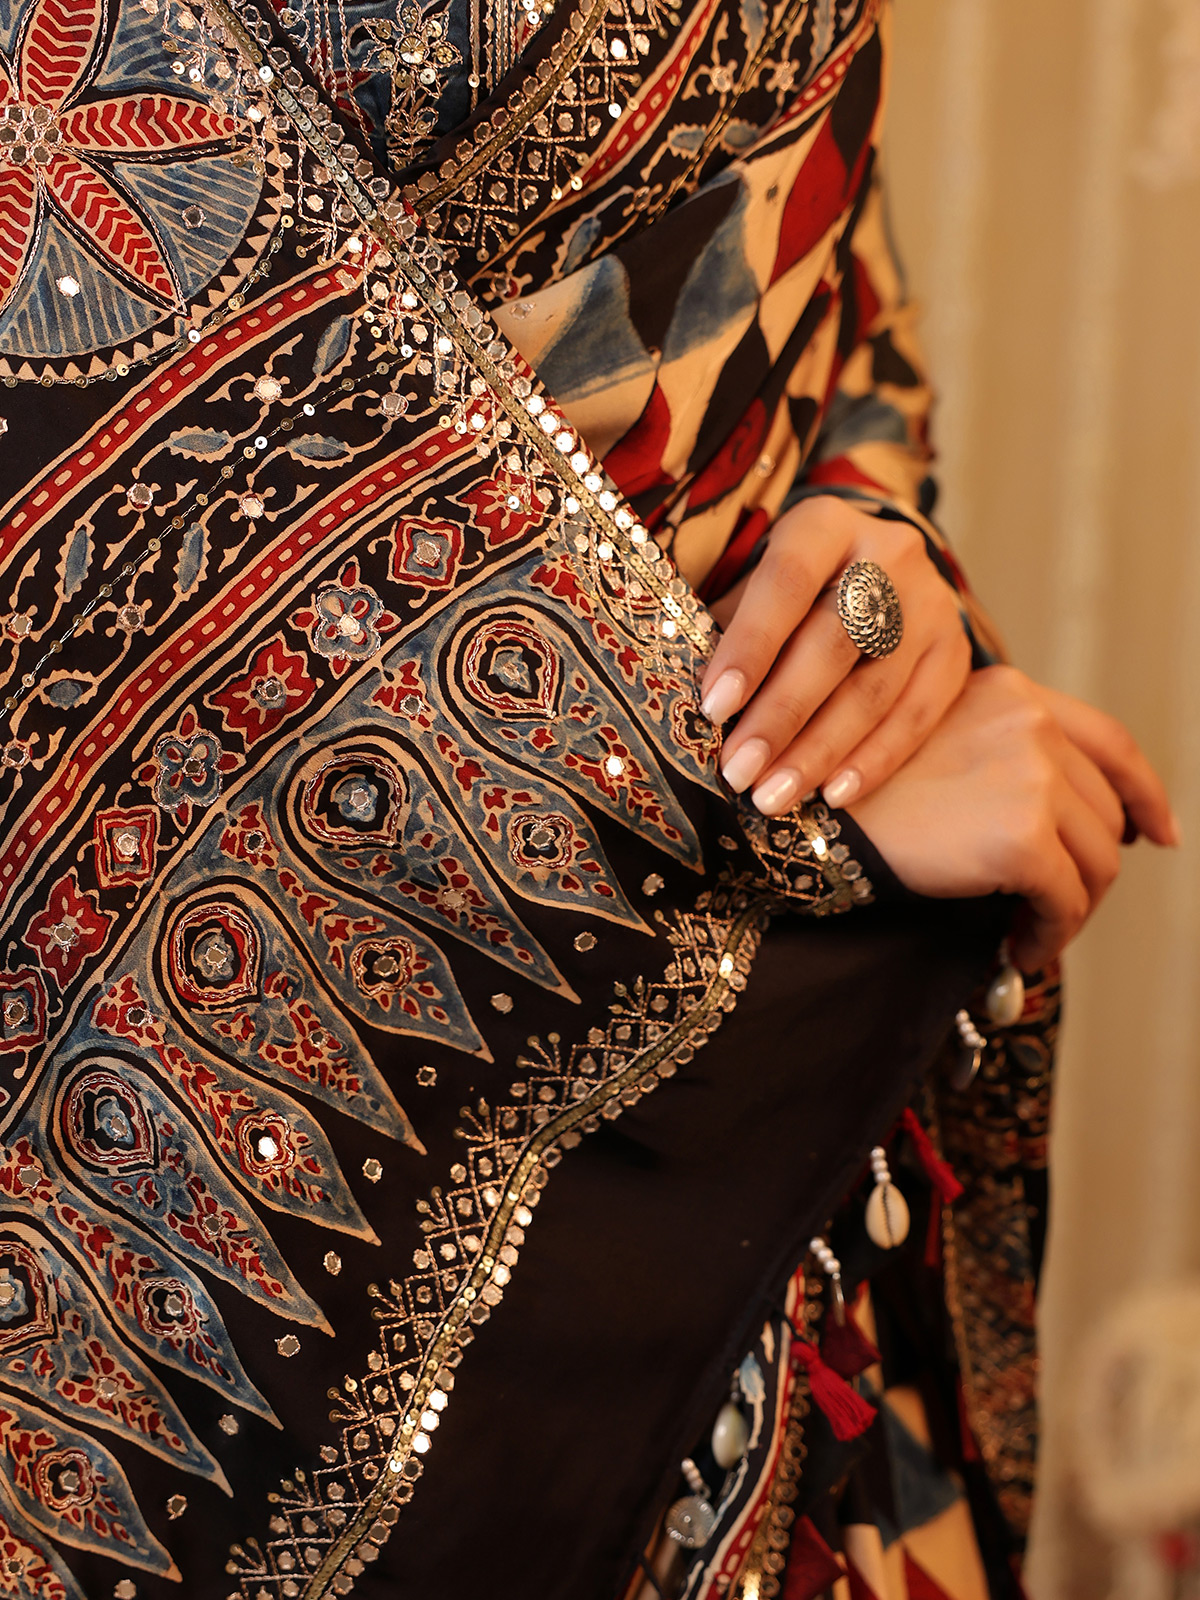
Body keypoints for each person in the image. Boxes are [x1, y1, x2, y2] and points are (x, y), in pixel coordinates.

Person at [0, 0, 1171, 1597]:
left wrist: (871, 595)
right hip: (228, 1193)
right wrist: (749, 819)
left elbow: (813, 278)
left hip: (782, 1242)